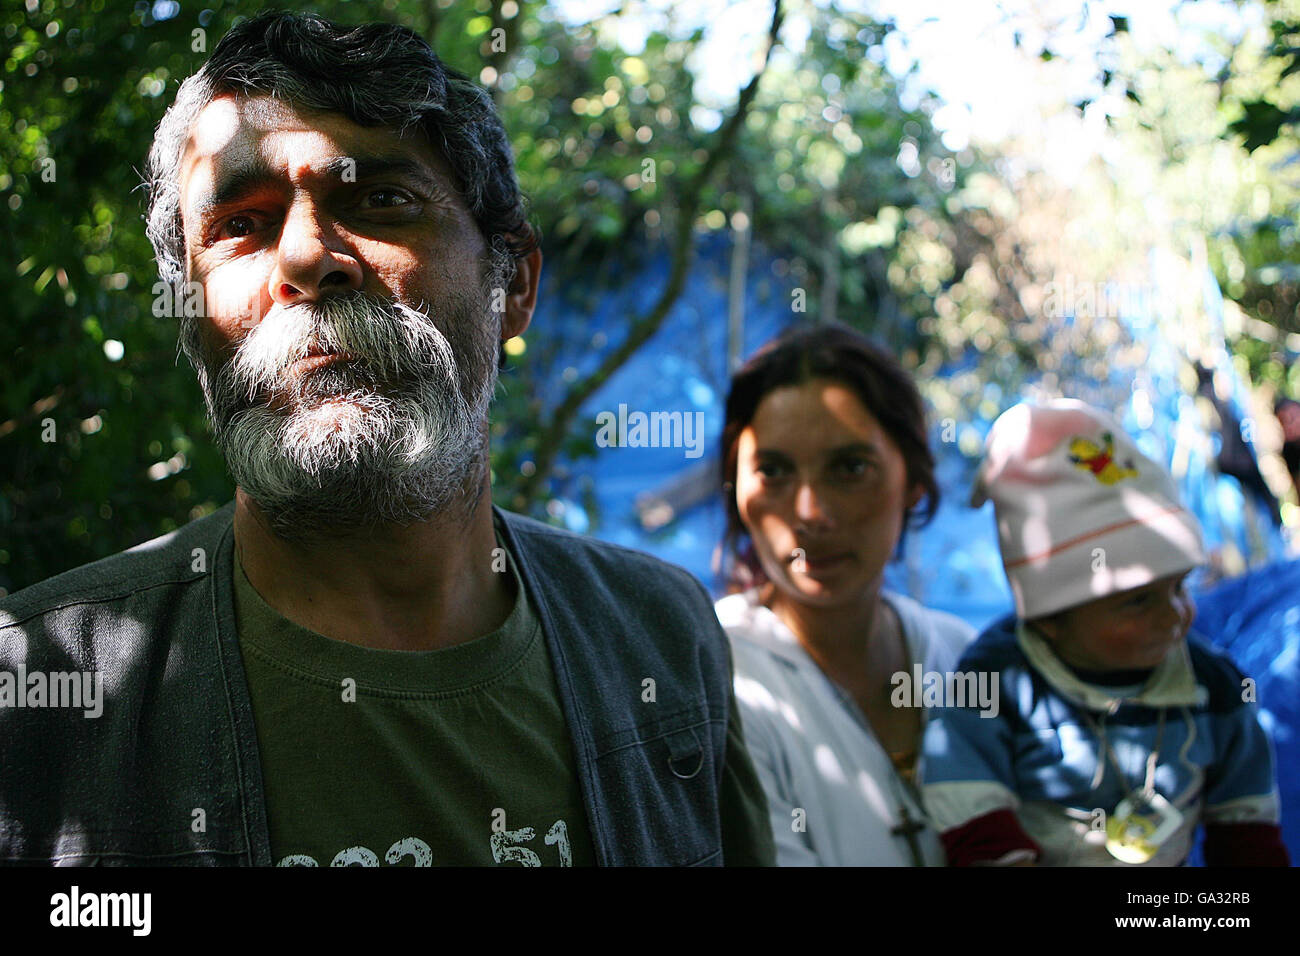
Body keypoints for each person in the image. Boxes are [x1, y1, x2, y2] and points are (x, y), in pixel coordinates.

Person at [0, 13, 775, 867]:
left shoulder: (661, 638)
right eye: (239, 225)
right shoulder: (41, 692)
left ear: (512, 283)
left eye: (380, 201)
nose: (306, 259)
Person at [921, 398, 1289, 866]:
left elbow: (1246, 823)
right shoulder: (996, 683)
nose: (1175, 614)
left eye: (1179, 587)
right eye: (1138, 600)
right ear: (1048, 618)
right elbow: (965, 795)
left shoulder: (1214, 690)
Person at [713, 323, 975, 865]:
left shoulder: (962, 657)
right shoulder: (718, 681)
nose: (810, 513)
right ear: (736, 490)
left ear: (914, 483)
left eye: (850, 468)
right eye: (773, 470)